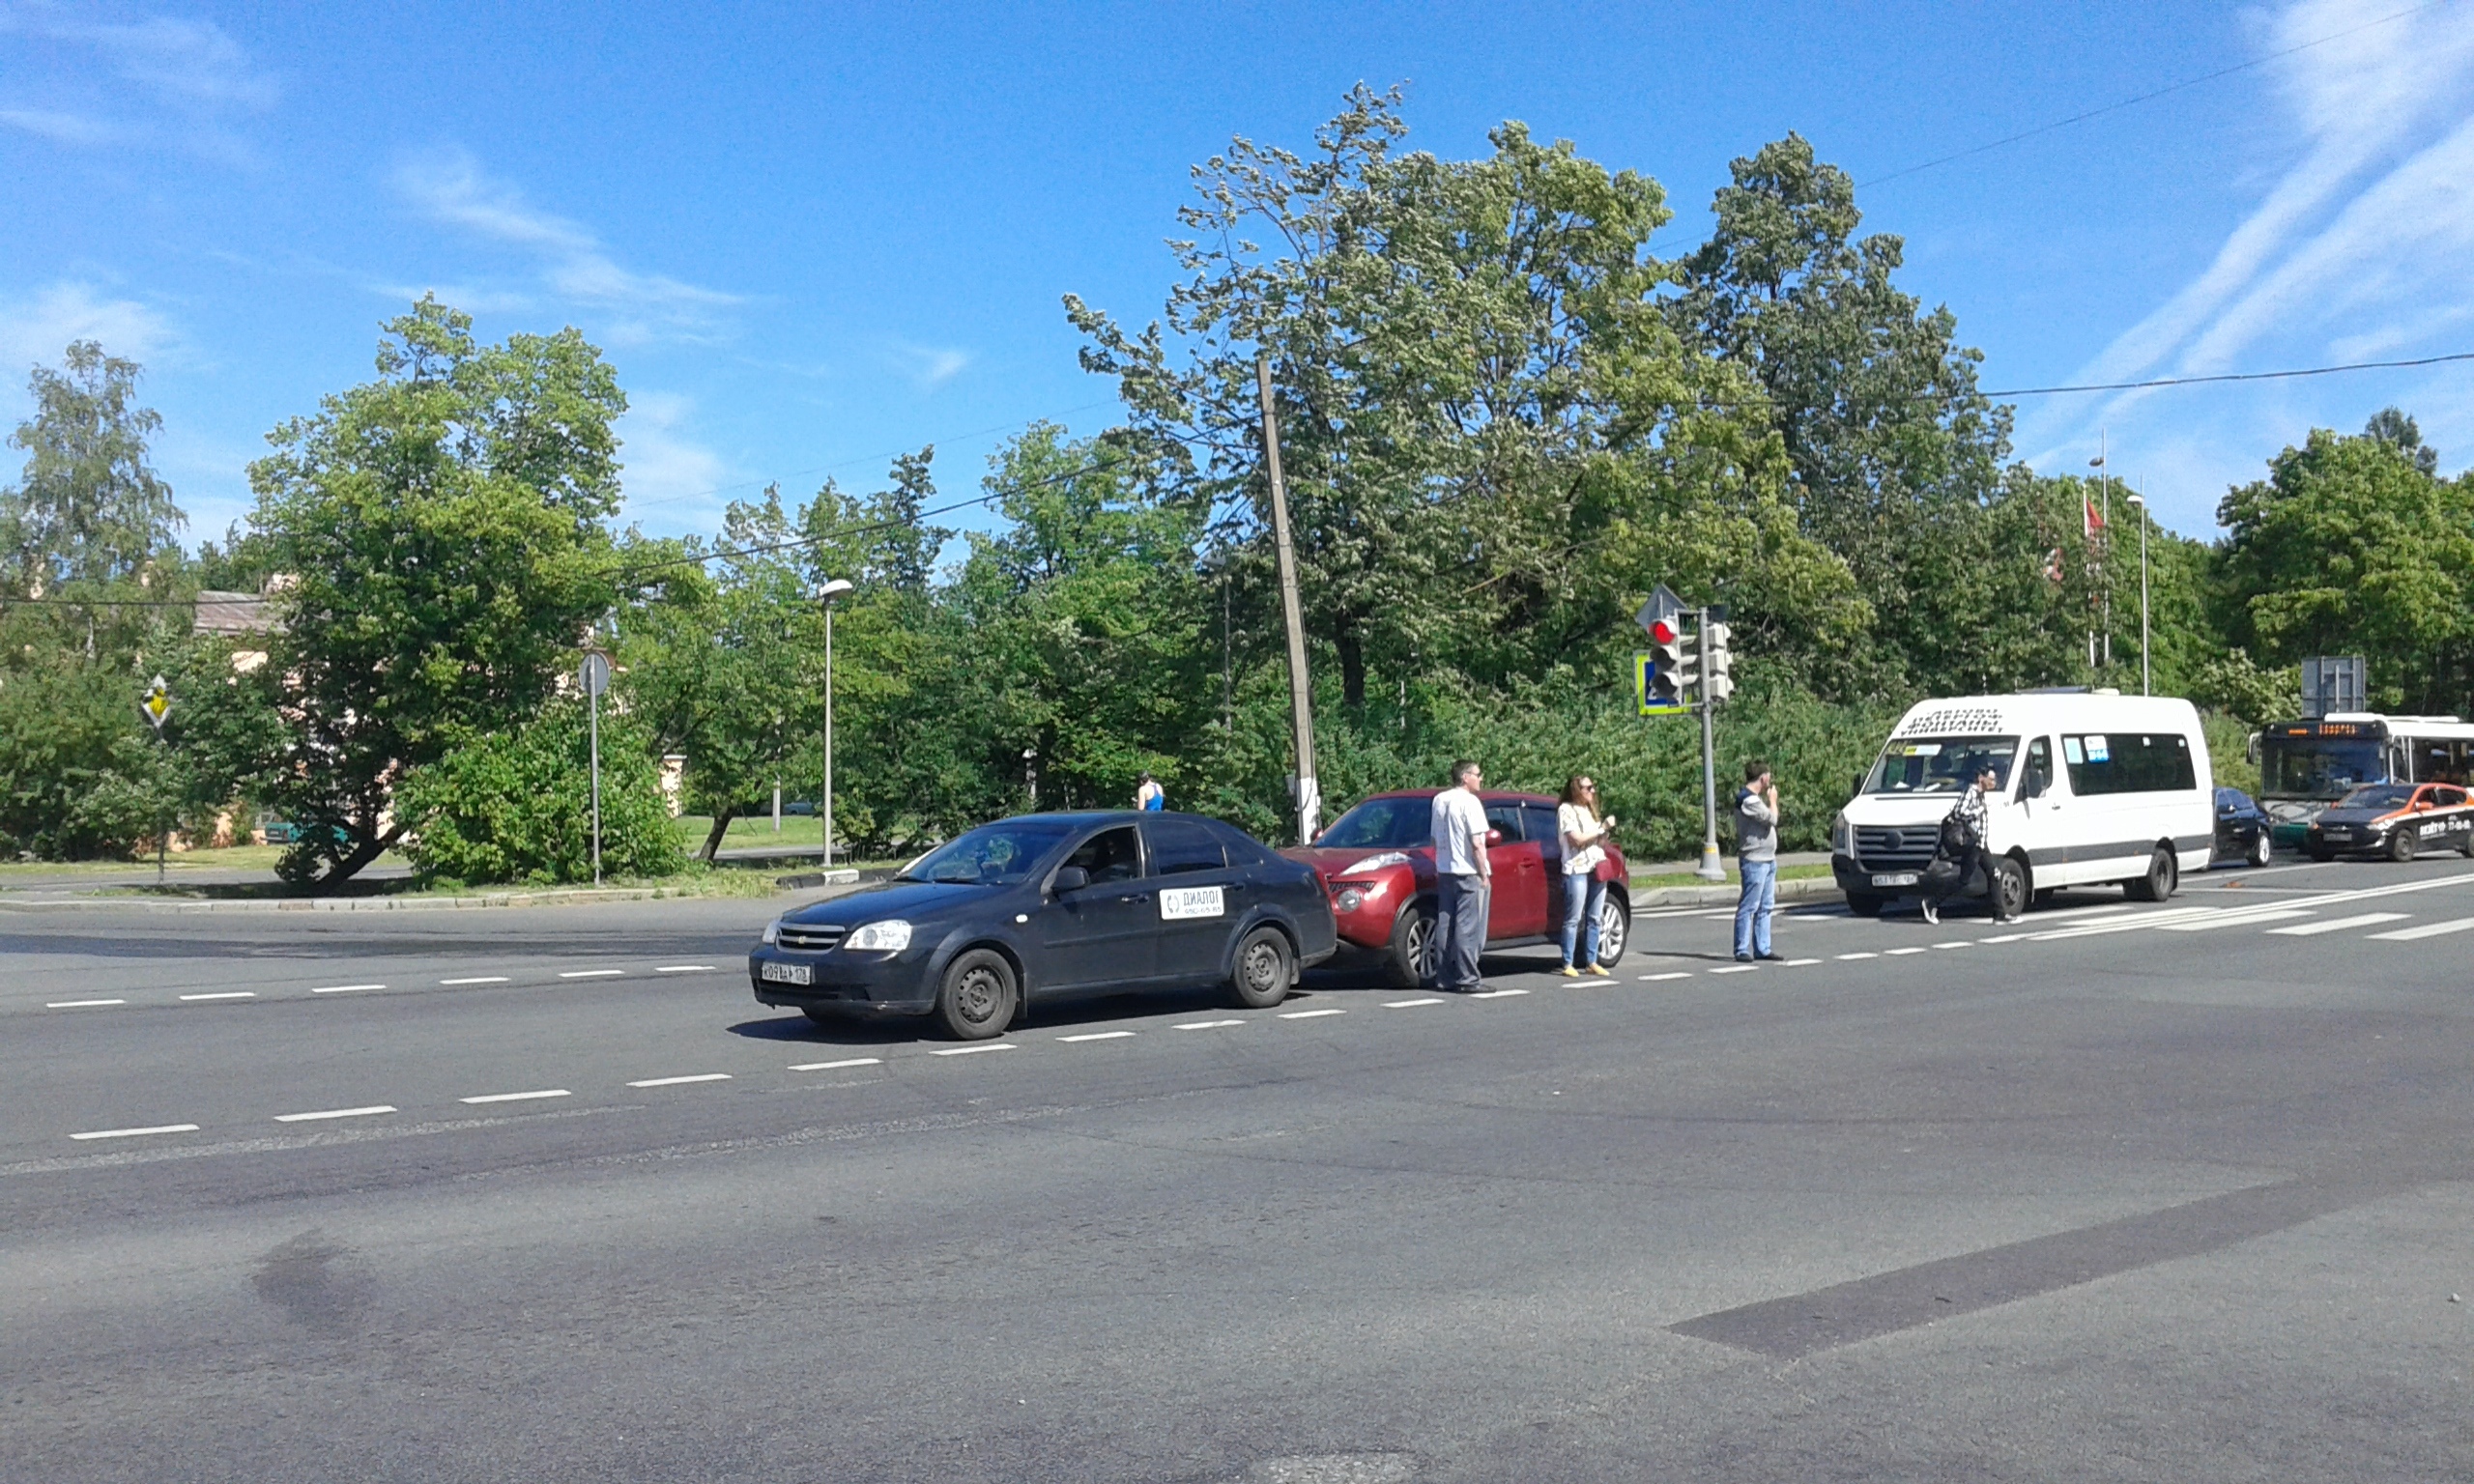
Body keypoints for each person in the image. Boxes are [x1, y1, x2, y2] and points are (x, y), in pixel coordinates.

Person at [1426, 759, 1491, 993]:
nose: (1481, 778)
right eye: (1477, 774)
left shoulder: (1439, 800)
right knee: (1467, 927)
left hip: (1445, 869)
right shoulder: (1470, 802)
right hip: (1467, 870)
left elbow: (1435, 838)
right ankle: (1468, 978)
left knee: (1445, 924)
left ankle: (1444, 977)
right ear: (1465, 777)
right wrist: (1483, 873)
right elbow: (1477, 843)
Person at [1922, 761, 2010, 926]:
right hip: (1973, 844)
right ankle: (1931, 902)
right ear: (1981, 778)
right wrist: (1979, 810)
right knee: (1964, 880)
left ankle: (1999, 915)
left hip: (1980, 844)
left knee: (1994, 874)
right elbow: (1959, 812)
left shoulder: (1980, 794)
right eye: (1991, 779)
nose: (1994, 782)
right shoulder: (1971, 792)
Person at [1556, 775, 1618, 976]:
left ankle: (1592, 960)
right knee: (1573, 918)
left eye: (1592, 787)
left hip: (1595, 866)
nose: (1592, 791)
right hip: (1577, 868)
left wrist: (1604, 833)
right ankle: (1568, 962)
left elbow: (1599, 842)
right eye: (1588, 788)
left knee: (1595, 917)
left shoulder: (1590, 810)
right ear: (1576, 790)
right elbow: (1576, 840)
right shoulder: (1566, 810)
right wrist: (1602, 828)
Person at [1733, 760, 1783, 963]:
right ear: (1762, 778)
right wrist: (1773, 800)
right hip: (1755, 860)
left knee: (1766, 905)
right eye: (1768, 777)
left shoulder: (1753, 799)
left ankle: (1763, 947)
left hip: (1768, 859)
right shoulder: (1748, 801)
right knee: (1750, 905)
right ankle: (1741, 949)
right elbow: (1773, 818)